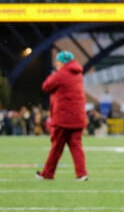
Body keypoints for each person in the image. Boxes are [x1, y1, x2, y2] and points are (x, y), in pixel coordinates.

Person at [35, 51, 88, 181]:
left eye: (57, 62)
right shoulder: (78, 74)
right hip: (78, 117)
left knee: (56, 147)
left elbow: (46, 86)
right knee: (76, 147)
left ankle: (48, 173)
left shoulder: (61, 74)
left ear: (62, 62)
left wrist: (54, 74)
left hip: (64, 118)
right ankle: (82, 174)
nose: (56, 64)